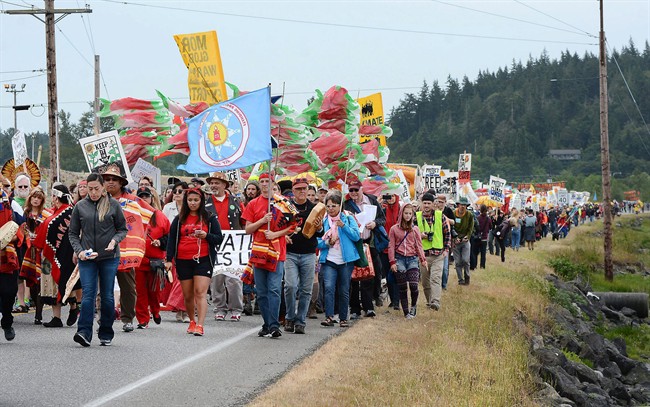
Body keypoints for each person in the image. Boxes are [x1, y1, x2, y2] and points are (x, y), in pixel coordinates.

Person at [68, 173, 128, 346]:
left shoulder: (113, 205)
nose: (93, 192)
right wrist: (79, 251)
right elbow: (72, 233)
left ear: (102, 188)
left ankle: (106, 331)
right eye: (89, 188)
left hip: (109, 256)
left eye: (96, 189)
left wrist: (114, 241)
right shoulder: (80, 206)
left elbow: (122, 229)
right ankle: (84, 332)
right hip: (87, 257)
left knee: (108, 296)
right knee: (88, 295)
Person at [100, 164, 153, 333]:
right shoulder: (98, 199)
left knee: (128, 287)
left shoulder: (133, 201)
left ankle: (127, 318)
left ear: (121, 182)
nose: (110, 182)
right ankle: (105, 317)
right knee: (104, 286)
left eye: (114, 179)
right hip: (103, 250)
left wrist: (142, 239)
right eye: (107, 179)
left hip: (126, 250)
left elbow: (150, 217)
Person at [242, 173, 295, 338]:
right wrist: (262, 221)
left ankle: (274, 325)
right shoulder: (253, 204)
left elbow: (293, 226)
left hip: (277, 253)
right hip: (258, 252)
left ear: (273, 183)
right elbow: (248, 229)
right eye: (262, 182)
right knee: (262, 291)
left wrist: (276, 234)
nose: (265, 184)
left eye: (268, 181)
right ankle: (266, 323)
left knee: (274, 289)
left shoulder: (283, 203)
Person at [165, 188, 223, 336]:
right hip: (183, 260)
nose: (193, 203)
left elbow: (219, 238)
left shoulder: (209, 217)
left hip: (203, 259)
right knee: (188, 295)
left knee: (200, 292)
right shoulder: (179, 219)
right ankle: (192, 321)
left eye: (196, 200)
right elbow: (171, 240)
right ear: (186, 201)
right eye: (190, 200)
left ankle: (200, 325)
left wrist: (206, 235)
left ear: (201, 201)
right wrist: (168, 260)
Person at [33, 185, 81, 328]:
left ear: (57, 197)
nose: (52, 199)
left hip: (64, 254)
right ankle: (56, 317)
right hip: (51, 255)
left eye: (53, 196)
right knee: (52, 285)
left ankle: (73, 307)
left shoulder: (70, 212)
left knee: (65, 281)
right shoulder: (53, 214)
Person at [283, 177, 322, 334]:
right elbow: (279, 225)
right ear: (293, 191)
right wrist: (282, 236)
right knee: (291, 286)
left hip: (308, 253)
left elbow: (322, 232)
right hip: (291, 253)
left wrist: (319, 228)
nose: (302, 191)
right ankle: (290, 317)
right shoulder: (286, 207)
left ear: (308, 190)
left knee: (306, 289)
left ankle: (300, 321)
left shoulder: (315, 208)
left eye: (304, 188)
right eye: (298, 189)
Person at [205, 172, 244, 322]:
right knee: (217, 278)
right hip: (214, 243)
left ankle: (236, 308)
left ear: (224, 185)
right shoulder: (206, 202)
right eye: (212, 183)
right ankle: (219, 308)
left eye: (217, 183)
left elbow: (244, 221)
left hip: (233, 244)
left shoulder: (236, 201)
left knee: (234, 278)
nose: (214, 185)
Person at [317, 190, 360, 328]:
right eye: (328, 206)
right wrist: (327, 243)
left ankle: (343, 318)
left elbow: (356, 236)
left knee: (344, 288)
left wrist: (343, 226)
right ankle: (329, 316)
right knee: (329, 287)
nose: (331, 209)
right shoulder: (323, 220)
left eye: (334, 206)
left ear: (340, 206)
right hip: (329, 259)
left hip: (346, 261)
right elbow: (317, 241)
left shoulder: (347, 218)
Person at [344, 179, 385, 317]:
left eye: (356, 190)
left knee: (370, 274)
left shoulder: (372, 200)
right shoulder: (347, 204)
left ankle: (369, 306)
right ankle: (355, 308)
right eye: (351, 190)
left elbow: (382, 219)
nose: (354, 193)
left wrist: (374, 223)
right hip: (354, 243)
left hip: (369, 242)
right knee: (354, 277)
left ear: (362, 189)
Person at [134, 187, 170, 328]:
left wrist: (160, 242)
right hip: (138, 260)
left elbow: (169, 236)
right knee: (140, 291)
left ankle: (155, 310)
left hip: (155, 261)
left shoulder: (160, 216)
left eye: (146, 197)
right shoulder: (132, 215)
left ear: (151, 199)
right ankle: (143, 319)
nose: (143, 199)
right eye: (140, 197)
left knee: (154, 291)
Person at [17, 187, 52, 324]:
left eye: (39, 198)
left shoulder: (46, 214)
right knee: (31, 281)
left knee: (42, 280)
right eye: (34, 197)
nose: (36, 200)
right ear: (30, 199)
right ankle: (35, 307)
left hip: (43, 251)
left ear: (42, 200)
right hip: (29, 250)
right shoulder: (25, 213)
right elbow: (20, 229)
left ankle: (39, 313)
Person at [388, 203, 427, 319]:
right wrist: (392, 262)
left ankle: (413, 306)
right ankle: (406, 311)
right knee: (403, 286)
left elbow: (419, 246)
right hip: (399, 259)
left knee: (414, 285)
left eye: (410, 213)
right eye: (406, 213)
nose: (408, 216)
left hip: (412, 259)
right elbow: (391, 246)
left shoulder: (415, 230)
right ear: (401, 213)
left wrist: (423, 260)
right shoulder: (394, 229)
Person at [416, 193, 451, 311]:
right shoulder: (416, 217)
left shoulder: (440, 216)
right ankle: (429, 301)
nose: (426, 205)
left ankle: (436, 301)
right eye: (424, 203)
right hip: (423, 256)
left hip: (438, 254)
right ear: (421, 204)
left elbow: (447, 233)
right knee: (425, 283)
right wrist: (419, 236)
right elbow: (410, 234)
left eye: (428, 203)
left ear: (433, 204)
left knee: (435, 278)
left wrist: (446, 249)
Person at [381, 193, 401, 310]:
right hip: (385, 247)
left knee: (397, 274)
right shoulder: (383, 210)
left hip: (398, 247)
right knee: (388, 276)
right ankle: (393, 299)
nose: (390, 198)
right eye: (387, 196)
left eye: (393, 196)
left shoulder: (401, 210)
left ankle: (397, 301)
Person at [452, 196, 474, 285]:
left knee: (465, 260)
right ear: (458, 205)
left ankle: (467, 276)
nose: (463, 207)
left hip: (465, 240)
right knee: (457, 262)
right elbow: (451, 227)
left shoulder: (469, 215)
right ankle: (460, 280)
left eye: (464, 205)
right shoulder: (453, 213)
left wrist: (467, 237)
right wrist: (454, 238)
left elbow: (470, 228)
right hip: (456, 241)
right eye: (461, 205)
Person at [476, 205, 492, 269]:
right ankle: (482, 266)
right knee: (483, 253)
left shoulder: (478, 218)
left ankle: (475, 265)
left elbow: (476, 227)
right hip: (485, 237)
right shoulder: (488, 219)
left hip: (478, 237)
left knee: (476, 252)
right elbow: (491, 227)